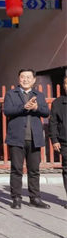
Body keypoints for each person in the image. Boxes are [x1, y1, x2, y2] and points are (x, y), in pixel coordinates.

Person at [4, 69, 51, 209]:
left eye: (28, 77)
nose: (25, 79)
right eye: (23, 77)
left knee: (34, 170)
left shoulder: (39, 95)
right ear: (18, 79)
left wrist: (36, 107)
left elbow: (46, 111)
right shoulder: (11, 94)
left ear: (34, 79)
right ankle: (16, 198)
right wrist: (23, 107)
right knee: (16, 169)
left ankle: (34, 197)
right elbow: (7, 111)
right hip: (16, 138)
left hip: (34, 138)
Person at [49, 75, 67, 208]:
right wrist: (54, 139)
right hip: (65, 141)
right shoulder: (58, 102)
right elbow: (53, 123)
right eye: (66, 84)